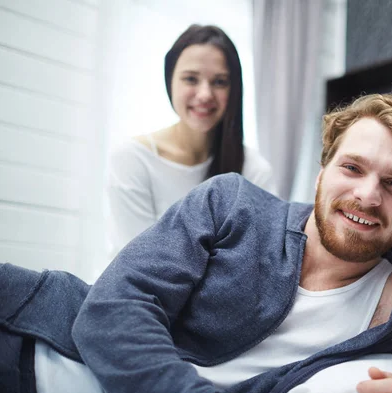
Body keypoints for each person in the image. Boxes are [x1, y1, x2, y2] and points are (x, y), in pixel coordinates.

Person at [0, 90, 392, 393]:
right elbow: (114, 310)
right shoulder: (230, 203)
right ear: (322, 175)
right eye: (353, 168)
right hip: (33, 352)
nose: (367, 194)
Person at [106, 24, 277, 257]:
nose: (205, 94)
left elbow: (260, 260)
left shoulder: (255, 171)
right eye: (191, 79)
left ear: (234, 89)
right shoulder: (132, 159)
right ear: (170, 81)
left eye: (219, 82)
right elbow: (138, 264)